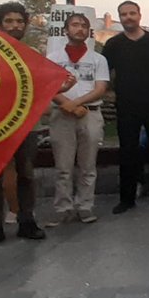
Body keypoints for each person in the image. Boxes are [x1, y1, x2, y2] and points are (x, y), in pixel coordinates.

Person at [0, 3, 52, 248]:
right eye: (9, 21)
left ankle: (27, 221)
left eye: (19, 21)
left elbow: (41, 85)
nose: (15, 26)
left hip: (26, 124)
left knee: (26, 174)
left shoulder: (31, 54)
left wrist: (60, 86)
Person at [102, 0, 149, 214]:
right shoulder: (114, 44)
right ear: (120, 17)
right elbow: (104, 70)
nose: (128, 17)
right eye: (124, 14)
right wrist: (108, 92)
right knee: (127, 152)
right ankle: (126, 199)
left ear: (139, 15)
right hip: (127, 104)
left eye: (132, 13)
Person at [46, 12, 109, 226]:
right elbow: (48, 87)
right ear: (66, 30)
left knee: (87, 165)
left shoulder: (98, 59)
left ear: (88, 32)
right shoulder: (53, 58)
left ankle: (85, 206)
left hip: (90, 113)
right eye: (74, 25)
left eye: (83, 25)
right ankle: (63, 208)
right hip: (62, 114)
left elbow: (100, 88)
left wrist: (78, 103)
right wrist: (68, 105)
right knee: (63, 167)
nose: (79, 28)